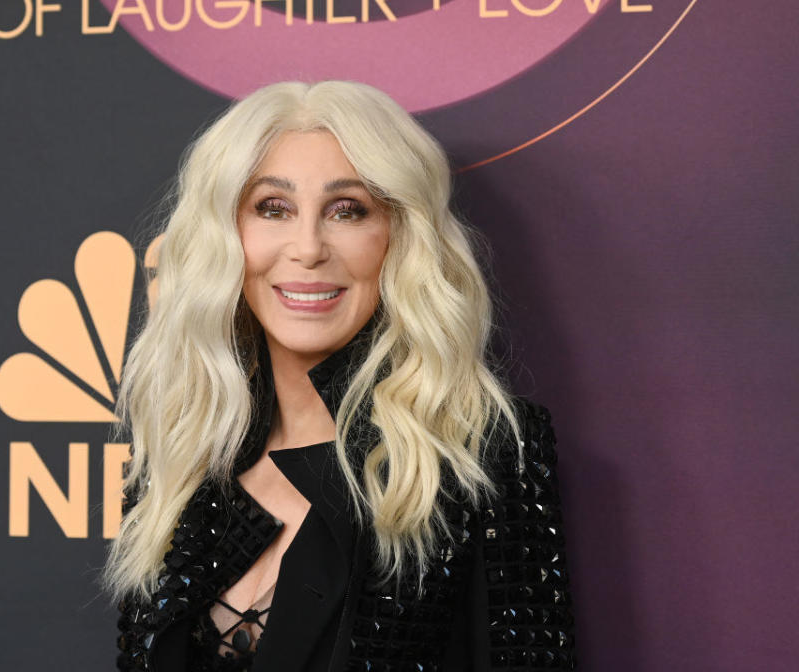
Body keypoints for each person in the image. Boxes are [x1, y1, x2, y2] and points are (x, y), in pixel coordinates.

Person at [103, 80, 575, 672]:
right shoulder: (179, 456)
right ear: (227, 239)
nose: (307, 248)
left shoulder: (481, 450)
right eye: (272, 208)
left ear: (398, 238)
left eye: (347, 210)